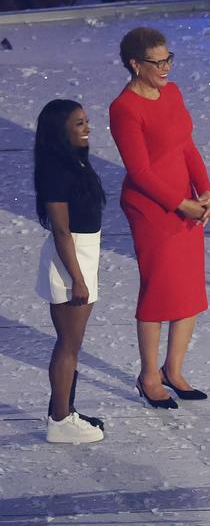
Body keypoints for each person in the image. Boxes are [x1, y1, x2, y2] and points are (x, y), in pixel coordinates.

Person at [109, 27, 210, 410]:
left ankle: (174, 369)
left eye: (169, 59)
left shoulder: (172, 92)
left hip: (185, 201)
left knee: (188, 288)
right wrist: (180, 204)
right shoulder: (124, 108)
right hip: (152, 208)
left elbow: (186, 144)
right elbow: (139, 171)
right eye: (158, 62)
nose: (166, 67)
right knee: (158, 290)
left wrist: (204, 191)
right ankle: (149, 375)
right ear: (136, 65)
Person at [34, 99, 106, 443]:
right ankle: (60, 420)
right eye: (79, 123)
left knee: (72, 344)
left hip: (82, 254)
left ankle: (64, 410)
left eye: (86, 121)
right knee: (68, 345)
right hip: (71, 259)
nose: (87, 128)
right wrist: (77, 278)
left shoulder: (73, 162)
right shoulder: (56, 170)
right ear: (60, 130)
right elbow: (62, 231)